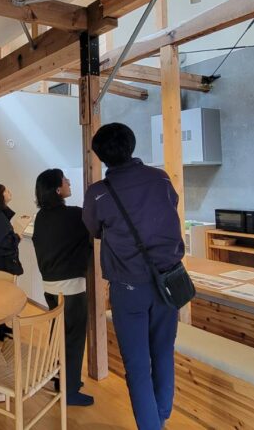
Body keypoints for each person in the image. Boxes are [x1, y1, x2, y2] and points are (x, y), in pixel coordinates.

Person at [82, 123, 183, 430]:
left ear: (100, 155)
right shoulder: (160, 178)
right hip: (168, 280)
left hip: (128, 287)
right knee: (163, 352)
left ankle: (152, 424)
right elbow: (171, 207)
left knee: (138, 364)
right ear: (132, 144)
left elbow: (94, 230)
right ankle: (161, 417)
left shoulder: (98, 193)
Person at [32, 169, 94, 407]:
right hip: (71, 289)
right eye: (65, 180)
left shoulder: (41, 217)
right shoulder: (74, 215)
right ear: (58, 189)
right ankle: (69, 391)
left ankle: (61, 378)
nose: (69, 182)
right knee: (74, 339)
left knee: (58, 334)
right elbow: (96, 229)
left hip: (49, 287)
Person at [0, 183, 23, 341]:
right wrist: (17, 236)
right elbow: (4, 241)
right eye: (6, 190)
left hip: (1, 260)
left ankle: (0, 327)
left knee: (1, 295)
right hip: (2, 262)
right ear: (0, 196)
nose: (9, 191)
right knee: (1, 296)